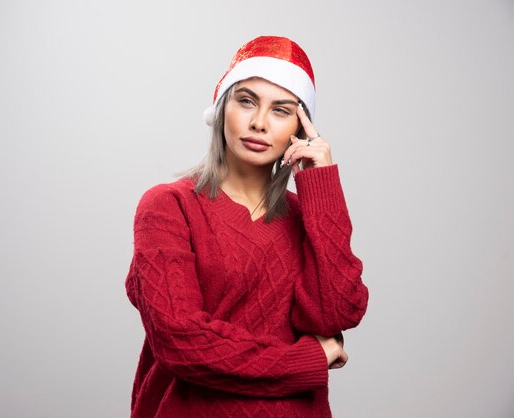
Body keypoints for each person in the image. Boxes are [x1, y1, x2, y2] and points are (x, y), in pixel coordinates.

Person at [125, 35, 369, 418]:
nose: (258, 122)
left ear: (300, 128)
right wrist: (303, 361)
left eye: (281, 110)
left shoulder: (309, 217)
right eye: (246, 101)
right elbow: (181, 342)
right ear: (222, 109)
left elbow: (335, 314)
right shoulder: (168, 207)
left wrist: (322, 185)